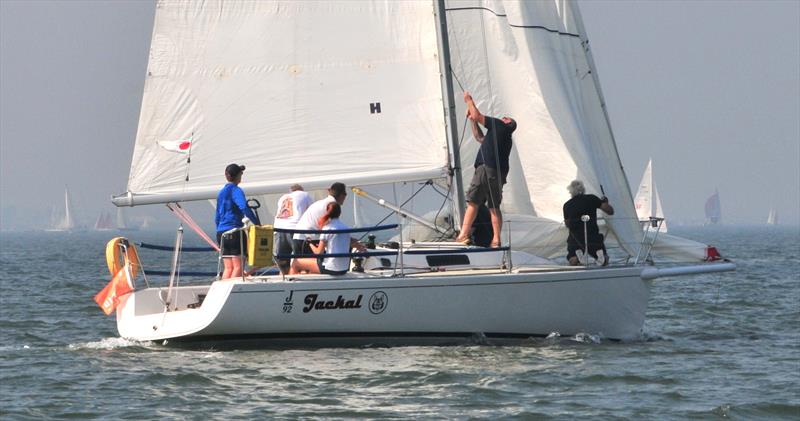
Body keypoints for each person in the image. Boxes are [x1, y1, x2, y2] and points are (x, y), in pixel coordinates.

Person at [455, 91, 517, 248]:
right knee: (494, 207)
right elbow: (479, 138)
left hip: (485, 169)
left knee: (473, 203)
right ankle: (496, 240)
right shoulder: (502, 137)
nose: (502, 118)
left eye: (505, 118)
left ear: (507, 122)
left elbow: (478, 115)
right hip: (499, 173)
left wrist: (469, 101)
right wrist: (472, 120)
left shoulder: (500, 125)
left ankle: (463, 235)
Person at [290, 202, 365, 275]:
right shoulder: (346, 228)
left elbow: (318, 253)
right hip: (344, 268)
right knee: (310, 266)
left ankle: (291, 286)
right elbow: (348, 242)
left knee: (296, 262)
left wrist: (310, 243)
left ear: (327, 212)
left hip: (330, 268)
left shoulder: (327, 228)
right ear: (340, 213)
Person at [215, 163, 259, 279]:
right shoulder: (236, 190)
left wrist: (218, 233)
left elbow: (217, 216)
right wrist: (256, 223)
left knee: (228, 268)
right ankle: (233, 292)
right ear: (238, 175)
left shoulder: (221, 193)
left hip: (222, 233)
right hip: (234, 232)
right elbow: (244, 207)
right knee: (238, 267)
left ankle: (222, 291)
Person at [562, 180, 615, 266]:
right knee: (604, 260)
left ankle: (577, 258)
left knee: (572, 259)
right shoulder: (592, 198)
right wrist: (605, 203)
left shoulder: (567, 205)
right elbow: (610, 211)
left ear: (570, 191)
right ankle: (600, 256)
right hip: (592, 235)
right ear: (583, 189)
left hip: (574, 237)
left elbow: (567, 223)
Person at [292, 182, 347, 253]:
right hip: (308, 239)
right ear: (343, 195)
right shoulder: (332, 205)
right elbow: (335, 230)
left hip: (300, 237)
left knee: (302, 262)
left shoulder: (321, 202)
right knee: (319, 262)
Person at [273, 184, 313, 274]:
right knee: (302, 260)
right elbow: (311, 212)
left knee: (283, 261)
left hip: (279, 229)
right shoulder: (305, 195)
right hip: (295, 229)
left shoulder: (283, 197)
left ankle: (283, 278)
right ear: (301, 190)